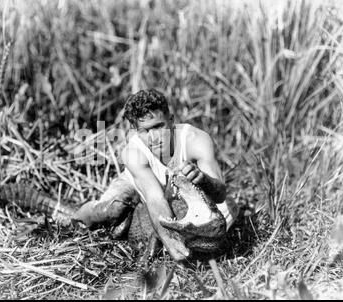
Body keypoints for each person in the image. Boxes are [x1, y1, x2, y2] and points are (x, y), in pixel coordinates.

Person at [73, 89, 238, 261]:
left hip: (178, 196)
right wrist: (173, 242)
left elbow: (220, 196)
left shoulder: (196, 141)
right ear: (136, 131)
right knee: (111, 210)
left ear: (172, 121)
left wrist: (203, 180)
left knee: (223, 215)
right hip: (137, 184)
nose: (154, 138)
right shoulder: (133, 153)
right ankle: (75, 219)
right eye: (145, 131)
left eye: (159, 126)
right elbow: (155, 199)